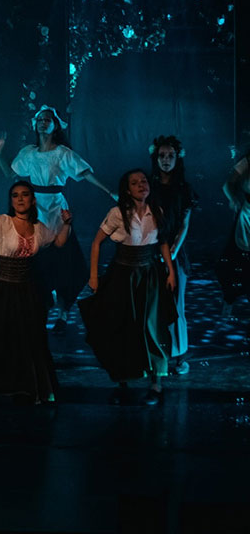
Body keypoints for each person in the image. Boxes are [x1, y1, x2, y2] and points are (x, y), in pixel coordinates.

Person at [0, 105, 114, 330]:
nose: (43, 122)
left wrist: (109, 191)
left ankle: (63, 312)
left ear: (55, 125)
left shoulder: (62, 153)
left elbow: (85, 173)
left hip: (57, 210)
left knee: (64, 260)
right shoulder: (29, 153)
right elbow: (10, 173)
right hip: (35, 210)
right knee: (38, 260)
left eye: (47, 119)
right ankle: (41, 305)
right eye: (40, 119)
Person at [0, 181, 74, 403]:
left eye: (25, 195)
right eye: (15, 195)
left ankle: (25, 385)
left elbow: (58, 242)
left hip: (26, 289)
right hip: (1, 288)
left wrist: (66, 224)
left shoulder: (39, 228)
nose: (20, 199)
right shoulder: (2, 222)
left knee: (27, 339)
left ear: (33, 200)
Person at [81, 170, 177, 405]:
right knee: (122, 325)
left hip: (149, 275)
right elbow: (96, 242)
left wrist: (171, 270)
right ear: (127, 189)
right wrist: (93, 276)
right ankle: (122, 381)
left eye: (143, 181)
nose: (141, 185)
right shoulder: (118, 213)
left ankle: (156, 383)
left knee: (152, 326)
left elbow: (163, 242)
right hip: (123, 274)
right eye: (135, 183)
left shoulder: (156, 211)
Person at [147, 135, 197, 375]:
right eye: (162, 156)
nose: (166, 160)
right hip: (150, 248)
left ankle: (179, 356)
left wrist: (173, 252)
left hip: (175, 252)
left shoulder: (184, 189)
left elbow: (185, 224)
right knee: (152, 304)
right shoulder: (148, 186)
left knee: (176, 304)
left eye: (170, 156)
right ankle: (155, 354)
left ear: (178, 158)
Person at [216, 150, 250, 313]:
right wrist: (234, 199)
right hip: (247, 215)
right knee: (232, 262)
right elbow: (228, 184)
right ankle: (229, 299)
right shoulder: (247, 161)